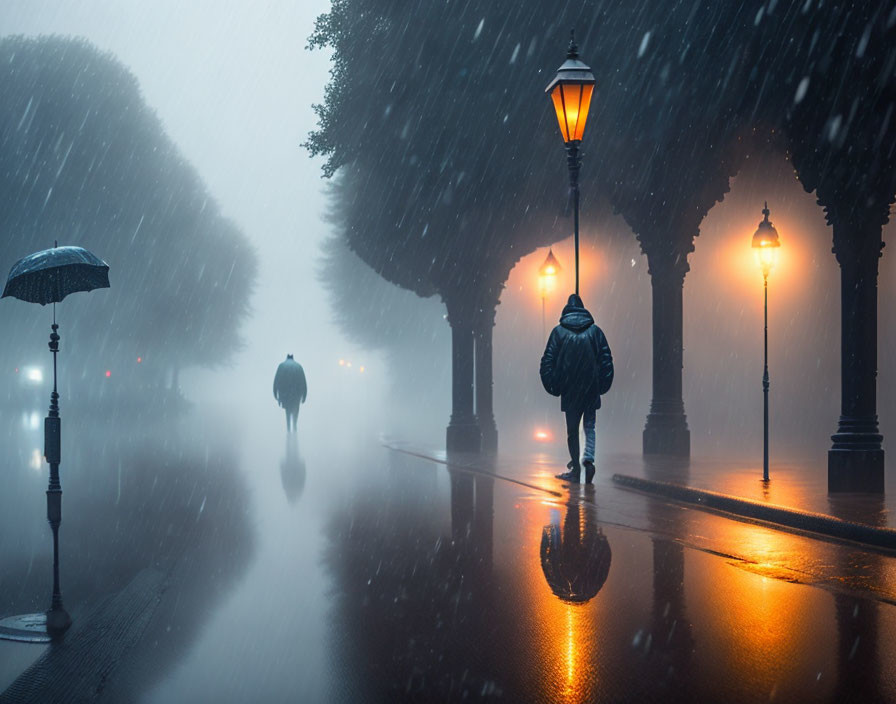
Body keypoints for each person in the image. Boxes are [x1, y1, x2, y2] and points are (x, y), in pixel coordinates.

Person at [540, 294, 614, 484]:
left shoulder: (558, 332)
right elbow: (606, 359)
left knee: (572, 430)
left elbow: (548, 360)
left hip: (569, 388)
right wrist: (602, 385)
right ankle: (588, 460)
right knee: (589, 427)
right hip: (590, 388)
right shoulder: (595, 332)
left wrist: (553, 384)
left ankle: (575, 468)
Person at [273, 354, 307, 432]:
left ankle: (289, 428)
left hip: (285, 394)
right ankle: (294, 426)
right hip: (296, 395)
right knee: (295, 410)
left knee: (288, 411)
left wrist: (275, 393)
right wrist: (304, 395)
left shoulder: (281, 366)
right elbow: (303, 382)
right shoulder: (299, 366)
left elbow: (276, 380)